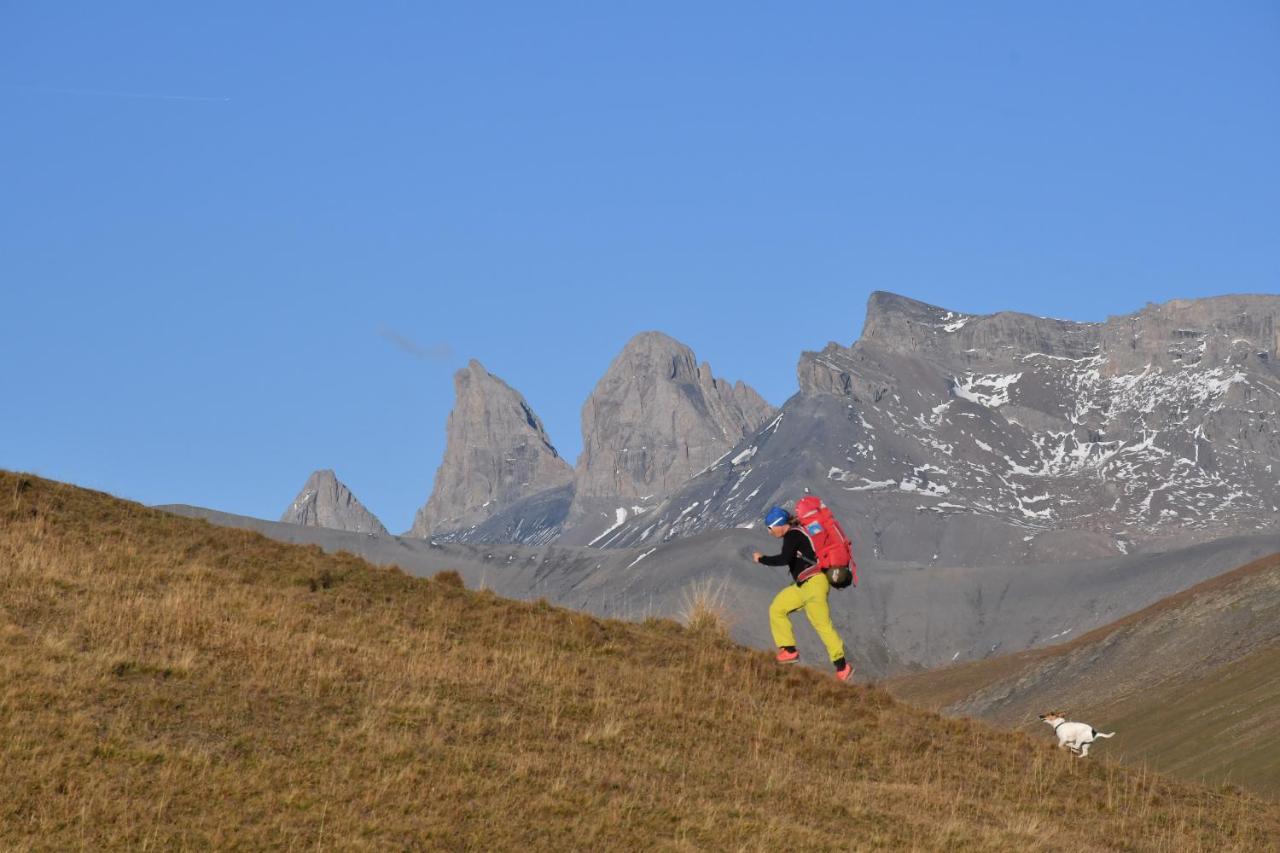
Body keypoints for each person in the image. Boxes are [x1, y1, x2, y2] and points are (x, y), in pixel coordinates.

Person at [752, 506, 854, 682]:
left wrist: (762, 559)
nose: (769, 532)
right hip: (802, 585)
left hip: (814, 583)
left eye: (769, 528)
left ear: (778, 525)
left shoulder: (793, 535)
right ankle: (789, 651)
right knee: (777, 608)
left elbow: (784, 559)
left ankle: (842, 666)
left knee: (821, 624)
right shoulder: (797, 533)